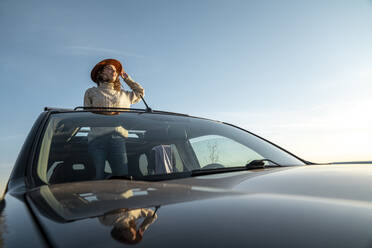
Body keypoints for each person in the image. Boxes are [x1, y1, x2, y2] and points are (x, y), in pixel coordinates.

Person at [84, 59, 145, 179]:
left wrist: (126, 77)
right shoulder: (91, 92)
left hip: (118, 139)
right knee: (98, 177)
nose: (113, 71)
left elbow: (140, 92)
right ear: (100, 73)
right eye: (109, 68)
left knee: (122, 177)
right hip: (96, 140)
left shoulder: (125, 95)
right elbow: (87, 116)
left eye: (116, 70)